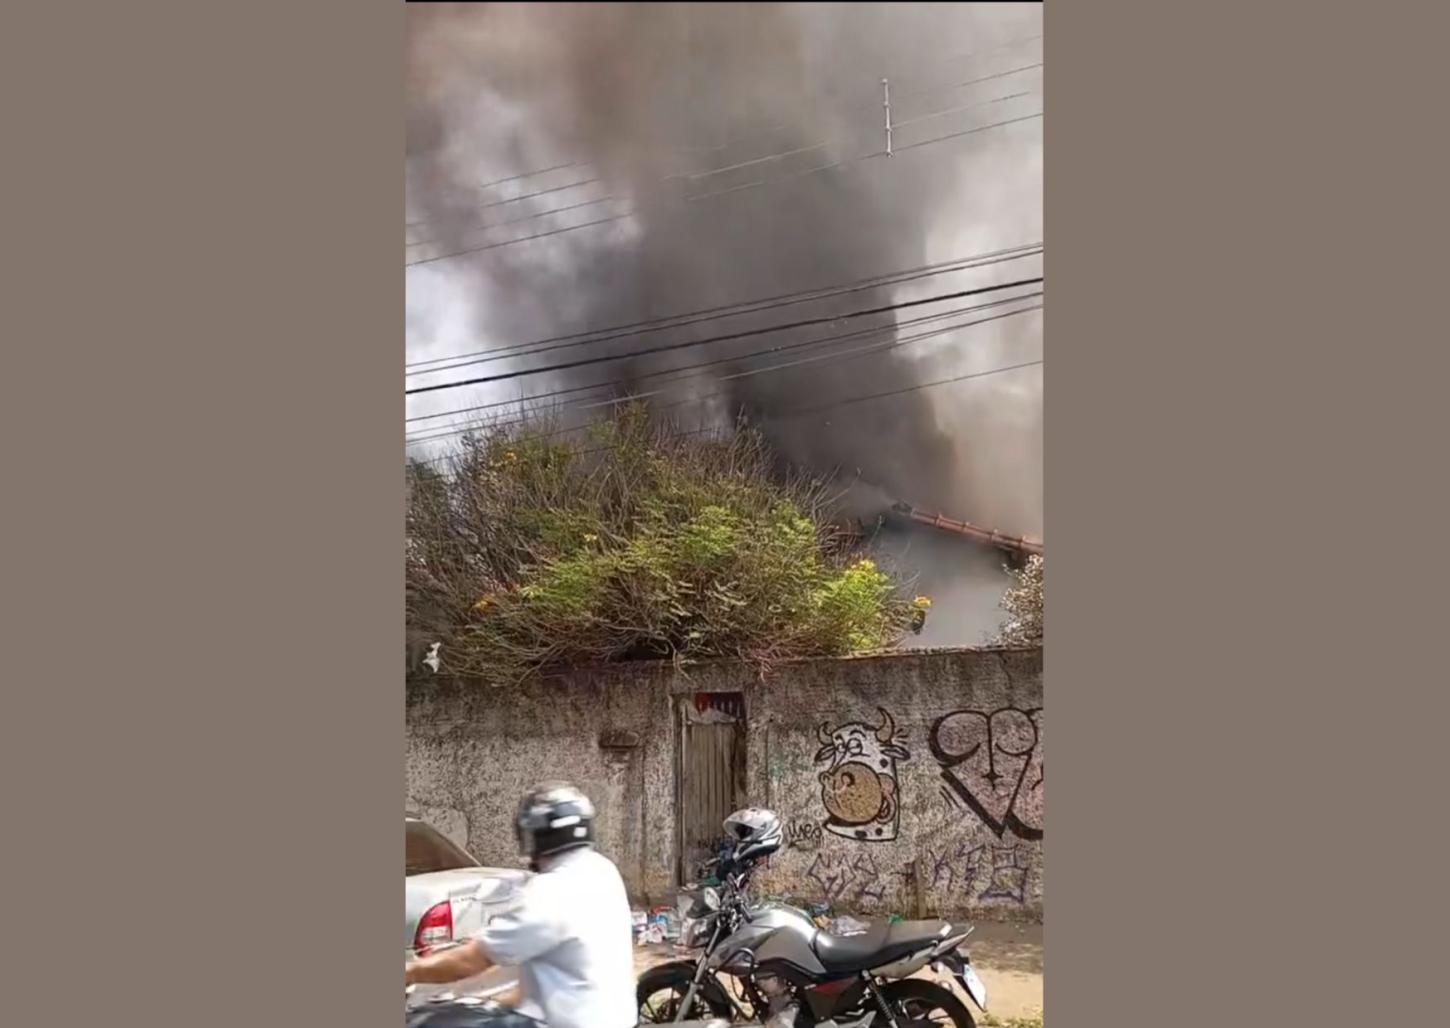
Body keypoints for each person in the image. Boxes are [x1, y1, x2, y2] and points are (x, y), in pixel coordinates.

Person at [405, 782, 636, 1028]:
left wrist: (410, 972)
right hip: (618, 1020)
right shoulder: (602, 870)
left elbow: (470, 961)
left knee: (432, 1022)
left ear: (539, 837)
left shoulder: (549, 891)